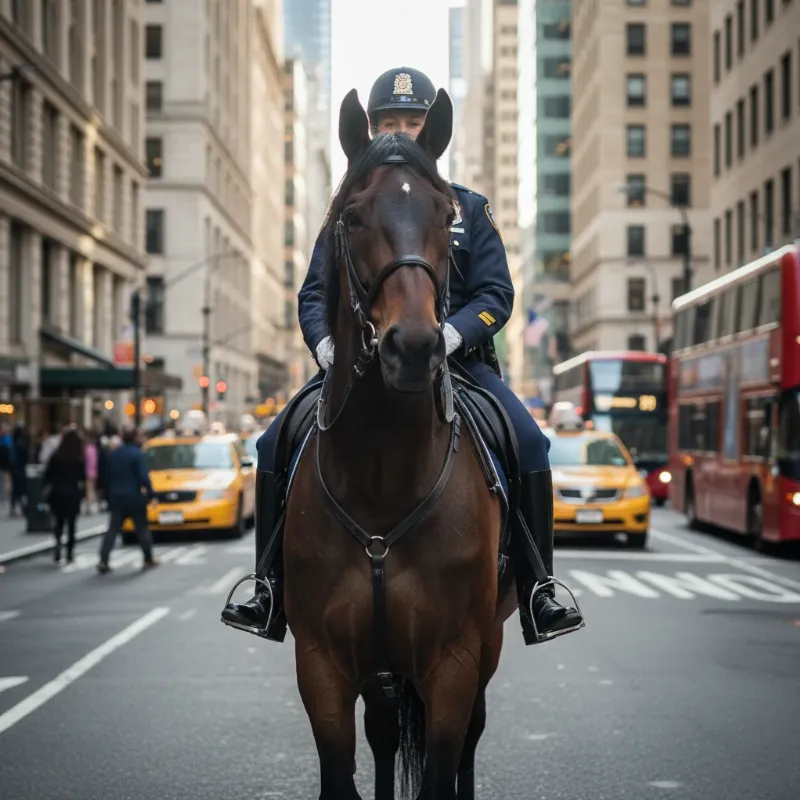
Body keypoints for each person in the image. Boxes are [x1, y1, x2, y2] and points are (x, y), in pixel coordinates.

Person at [221, 67, 584, 646]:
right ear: (370, 130)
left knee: (532, 442)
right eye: (389, 121)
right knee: (271, 443)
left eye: (412, 122)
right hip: (357, 367)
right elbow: (314, 294)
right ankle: (267, 587)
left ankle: (539, 587)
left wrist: (448, 337)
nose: (401, 131)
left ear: (430, 131)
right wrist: (327, 348)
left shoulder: (467, 207)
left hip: (459, 365)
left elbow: (496, 295)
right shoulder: (351, 206)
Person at [96, 427, 159, 574]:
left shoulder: (113, 455)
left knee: (113, 529)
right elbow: (144, 477)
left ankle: (103, 560)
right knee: (142, 528)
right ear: (135, 437)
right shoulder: (137, 454)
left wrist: (106, 495)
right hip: (134, 496)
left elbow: (105, 478)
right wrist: (151, 494)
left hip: (116, 497)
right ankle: (148, 559)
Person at [43, 428, 86, 564]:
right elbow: (82, 477)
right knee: (72, 524)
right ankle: (69, 553)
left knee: (59, 522)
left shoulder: (56, 457)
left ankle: (57, 546)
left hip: (57, 493)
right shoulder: (78, 459)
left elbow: (47, 475)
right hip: (73, 493)